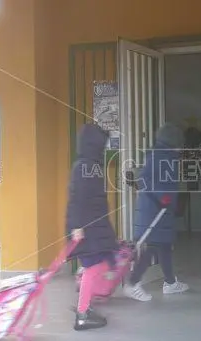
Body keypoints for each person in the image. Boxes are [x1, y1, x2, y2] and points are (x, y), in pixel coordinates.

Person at [123, 123, 190, 301]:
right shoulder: (158, 156)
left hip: (163, 210)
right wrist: (162, 196)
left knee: (165, 245)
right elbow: (143, 178)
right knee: (151, 247)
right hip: (153, 211)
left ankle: (170, 283)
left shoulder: (169, 156)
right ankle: (132, 283)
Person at [65, 124, 120, 331]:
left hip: (96, 224)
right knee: (94, 266)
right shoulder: (83, 166)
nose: (103, 149)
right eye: (101, 145)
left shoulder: (91, 164)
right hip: (87, 226)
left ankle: (85, 301)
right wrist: (77, 226)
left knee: (106, 260)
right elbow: (77, 198)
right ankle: (82, 313)